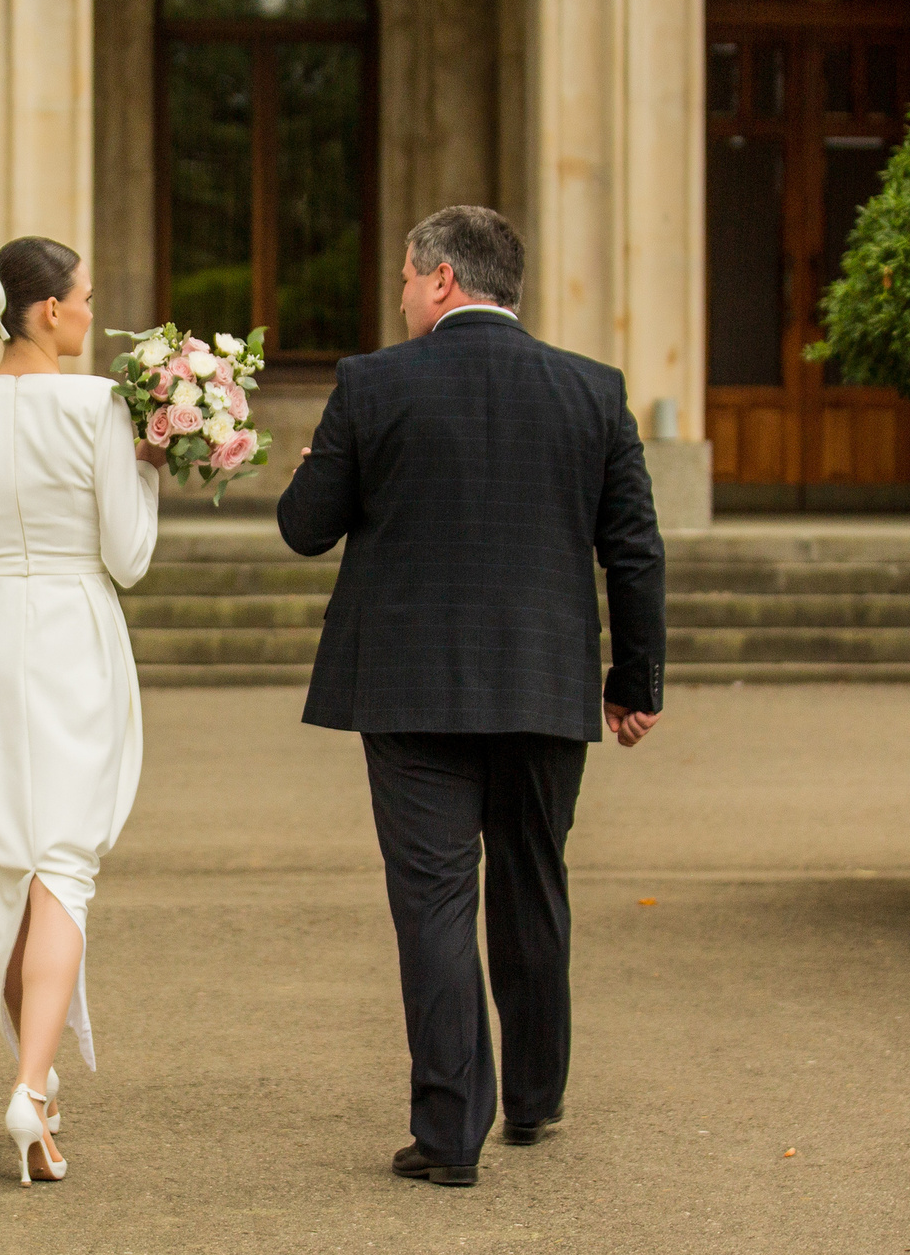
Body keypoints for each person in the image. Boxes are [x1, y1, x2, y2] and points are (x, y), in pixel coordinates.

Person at [277, 204, 666, 1188]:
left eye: (407, 278)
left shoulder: (372, 385)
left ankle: (449, 1136)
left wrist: (316, 468)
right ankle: (534, 1099)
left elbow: (305, 528)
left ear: (441, 279)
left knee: (435, 902)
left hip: (410, 689)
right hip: (545, 683)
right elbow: (632, 548)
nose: (402, 294)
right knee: (533, 881)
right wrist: (635, 682)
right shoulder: (591, 390)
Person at [0, 235, 169, 1186]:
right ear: (48, 310)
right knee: (63, 865)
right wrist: (147, 463)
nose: (93, 315)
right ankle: (29, 1085)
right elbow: (129, 557)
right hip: (71, 638)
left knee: (6, 867)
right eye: (86, 299)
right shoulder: (99, 405)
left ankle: (41, 1088)